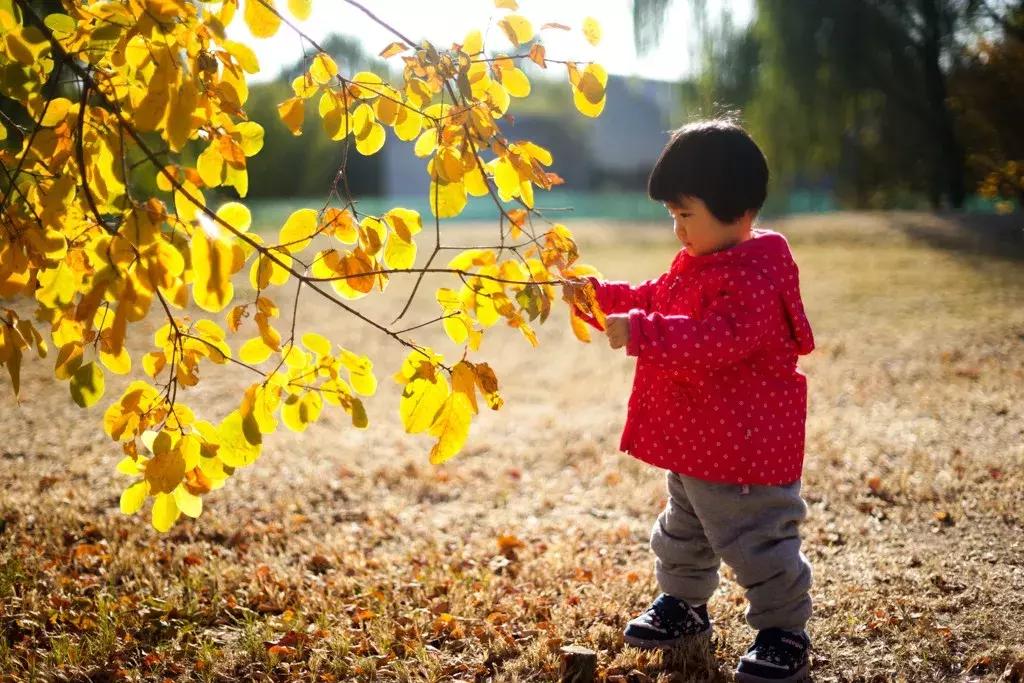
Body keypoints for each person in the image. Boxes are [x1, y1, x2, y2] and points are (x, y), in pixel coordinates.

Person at [566, 118, 816, 683]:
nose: (678, 230)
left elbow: (716, 338)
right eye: (672, 216)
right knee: (684, 527)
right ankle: (684, 606)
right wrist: (595, 298)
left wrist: (643, 330)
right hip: (699, 439)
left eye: (686, 215)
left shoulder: (754, 277)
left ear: (739, 212)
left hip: (745, 450)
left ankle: (784, 632)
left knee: (758, 540)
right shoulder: (700, 262)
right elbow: (652, 296)